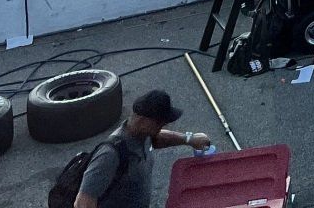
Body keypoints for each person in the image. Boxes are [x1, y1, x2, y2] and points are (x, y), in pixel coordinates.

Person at [72, 88, 211, 208]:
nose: (163, 125)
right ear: (142, 119)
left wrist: (189, 139)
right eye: (159, 122)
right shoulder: (109, 155)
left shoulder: (143, 135)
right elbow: (83, 203)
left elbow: (157, 138)